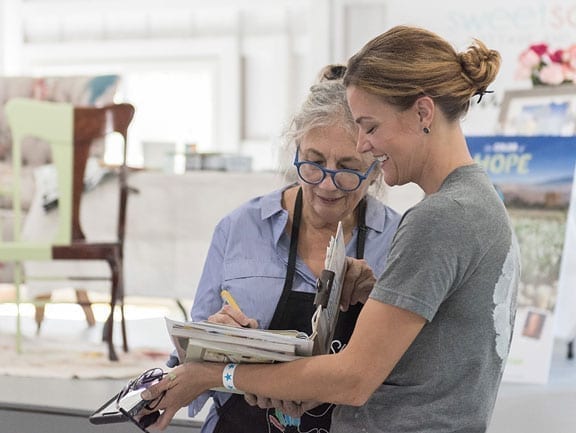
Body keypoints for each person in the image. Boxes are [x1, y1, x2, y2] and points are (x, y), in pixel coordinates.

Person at [143, 26, 520, 433]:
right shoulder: (480, 204)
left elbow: (352, 380)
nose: (364, 145)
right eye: (314, 161)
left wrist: (217, 375)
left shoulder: (440, 218)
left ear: (423, 113)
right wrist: (377, 294)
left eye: (370, 127)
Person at [174, 64, 401, 433]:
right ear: (295, 150)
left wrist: (376, 297)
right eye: (313, 162)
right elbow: (184, 363)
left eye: (347, 168)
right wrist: (208, 339)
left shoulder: (398, 241)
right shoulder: (240, 228)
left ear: (376, 168)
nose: (327, 184)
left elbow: (411, 375)